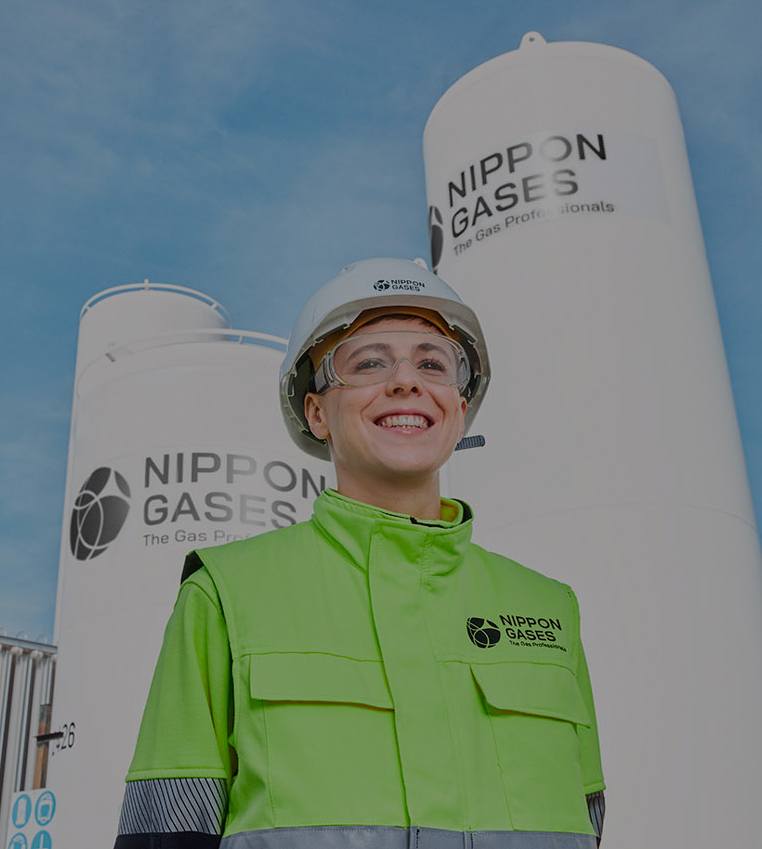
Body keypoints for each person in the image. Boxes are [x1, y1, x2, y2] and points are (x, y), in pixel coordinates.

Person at [114, 258, 605, 849]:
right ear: (317, 412)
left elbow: (587, 824)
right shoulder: (225, 594)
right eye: (369, 362)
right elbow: (165, 833)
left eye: (433, 363)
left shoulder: (549, 610)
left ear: (459, 407)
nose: (406, 381)